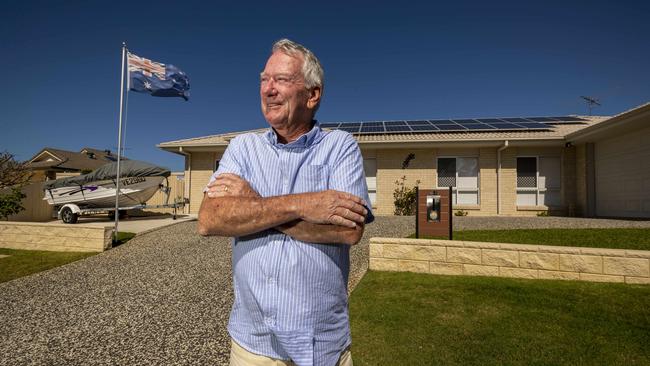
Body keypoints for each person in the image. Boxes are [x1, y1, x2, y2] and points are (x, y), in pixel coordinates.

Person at [198, 39, 374, 366]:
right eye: (264, 80)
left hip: (320, 346)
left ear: (312, 94)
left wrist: (254, 206)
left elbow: (348, 231)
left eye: (280, 80)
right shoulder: (242, 148)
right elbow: (210, 219)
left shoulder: (340, 147)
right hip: (253, 346)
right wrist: (305, 205)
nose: (268, 89)